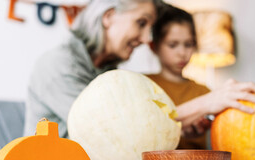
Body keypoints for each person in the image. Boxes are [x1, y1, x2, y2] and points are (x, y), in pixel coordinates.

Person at [24, 0, 160, 137]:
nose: (146, 38)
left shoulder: (109, 72)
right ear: (108, 17)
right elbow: (103, 128)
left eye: (150, 28)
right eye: (141, 23)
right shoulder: (57, 64)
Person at [147, 4, 255, 149]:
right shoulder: (145, 85)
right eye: (173, 45)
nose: (182, 53)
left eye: (188, 44)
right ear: (153, 46)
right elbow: (144, 127)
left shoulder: (203, 91)